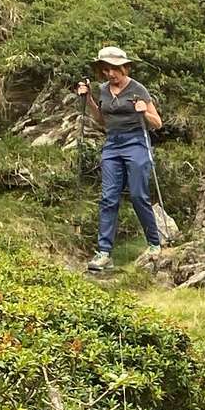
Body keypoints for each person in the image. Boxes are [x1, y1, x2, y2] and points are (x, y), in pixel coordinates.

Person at [77, 45, 164, 273]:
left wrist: (144, 111)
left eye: (114, 69)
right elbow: (102, 120)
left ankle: (154, 244)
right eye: (106, 70)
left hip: (136, 142)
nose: (111, 74)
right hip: (112, 144)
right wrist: (89, 99)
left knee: (138, 195)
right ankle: (104, 253)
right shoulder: (103, 89)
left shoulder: (138, 89)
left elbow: (157, 123)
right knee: (108, 197)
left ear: (124, 67)